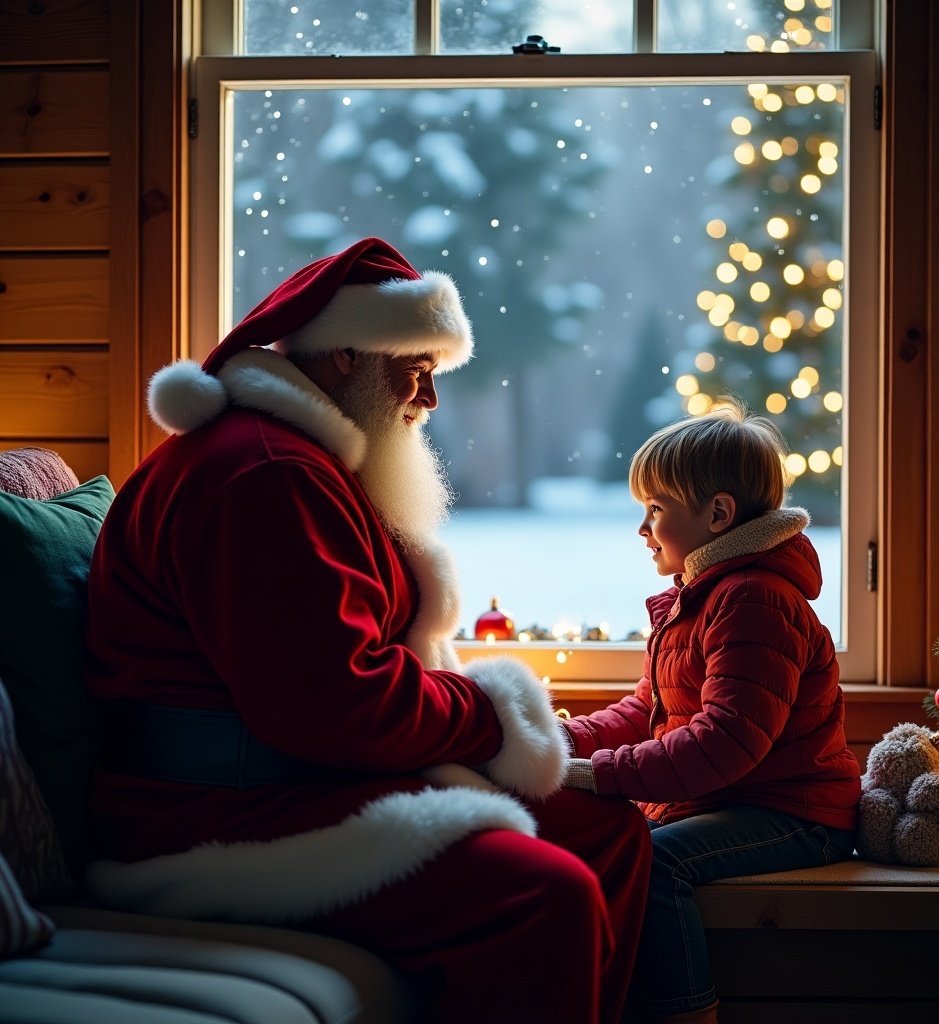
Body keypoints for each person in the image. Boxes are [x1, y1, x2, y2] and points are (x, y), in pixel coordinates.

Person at [83, 237, 652, 1024]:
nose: (429, 401)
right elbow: (339, 705)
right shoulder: (265, 477)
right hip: (218, 814)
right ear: (347, 352)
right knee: (543, 896)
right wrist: (489, 716)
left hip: (302, 777)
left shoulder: (307, 463)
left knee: (609, 835)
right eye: (416, 370)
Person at [559, 399, 861, 1024]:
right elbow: (647, 711)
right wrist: (560, 742)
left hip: (795, 812)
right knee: (611, 837)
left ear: (718, 514)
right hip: (730, 801)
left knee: (654, 859)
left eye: (657, 510)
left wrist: (603, 774)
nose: (643, 530)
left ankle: (683, 1010)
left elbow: (724, 741)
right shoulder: (695, 599)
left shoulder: (754, 599)